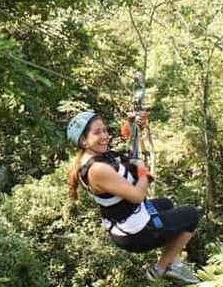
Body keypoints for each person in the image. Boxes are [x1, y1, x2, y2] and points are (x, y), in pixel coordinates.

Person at [66, 111, 201, 283]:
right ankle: (162, 267)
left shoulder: (98, 154)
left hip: (127, 219)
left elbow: (124, 140)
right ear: (83, 140)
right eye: (97, 132)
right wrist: (143, 171)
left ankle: (171, 259)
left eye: (104, 130)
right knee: (192, 215)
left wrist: (132, 124)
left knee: (166, 204)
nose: (105, 136)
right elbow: (137, 196)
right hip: (135, 235)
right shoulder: (97, 169)